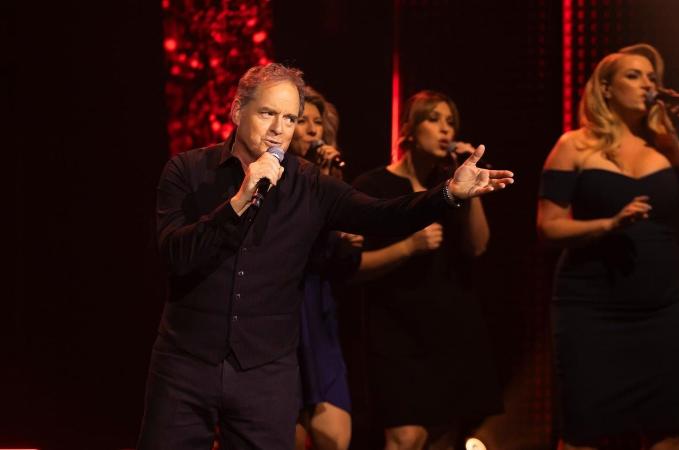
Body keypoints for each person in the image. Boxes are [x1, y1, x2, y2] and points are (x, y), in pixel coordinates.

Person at [137, 63, 514, 450]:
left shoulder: (310, 183)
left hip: (265, 371)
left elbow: (382, 215)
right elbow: (175, 256)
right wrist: (239, 201)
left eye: (289, 118)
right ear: (237, 111)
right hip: (185, 364)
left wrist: (448, 194)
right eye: (268, 113)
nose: (278, 129)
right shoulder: (186, 171)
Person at [537, 43, 679, 450]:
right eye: (634, 75)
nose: (647, 84)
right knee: (584, 432)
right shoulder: (573, 145)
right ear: (605, 88)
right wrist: (608, 224)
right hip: (591, 309)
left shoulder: (667, 146)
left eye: (652, 77)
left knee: (665, 430)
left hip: (661, 308)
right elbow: (548, 227)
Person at [353, 90, 504, 450]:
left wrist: (471, 189)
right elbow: (353, 268)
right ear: (409, 129)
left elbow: (478, 246)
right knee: (405, 436)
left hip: (451, 326)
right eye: (433, 119)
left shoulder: (452, 185)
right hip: (397, 332)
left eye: (450, 122)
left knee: (443, 435)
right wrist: (409, 246)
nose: (444, 130)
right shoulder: (374, 187)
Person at [290, 87, 357, 450]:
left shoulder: (331, 183)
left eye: (319, 122)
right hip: (283, 316)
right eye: (303, 121)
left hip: (320, 319)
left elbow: (344, 264)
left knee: (336, 437)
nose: (313, 129)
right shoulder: (275, 185)